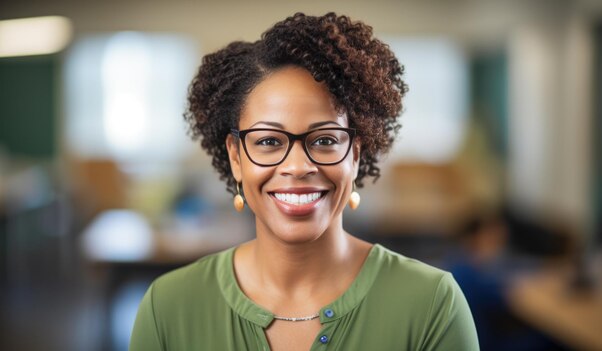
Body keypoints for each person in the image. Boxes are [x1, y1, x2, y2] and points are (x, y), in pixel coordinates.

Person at [130, 12, 479, 351]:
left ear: (355, 155)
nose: (298, 166)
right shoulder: (168, 307)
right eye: (268, 141)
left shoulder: (432, 304)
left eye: (325, 140)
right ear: (236, 157)